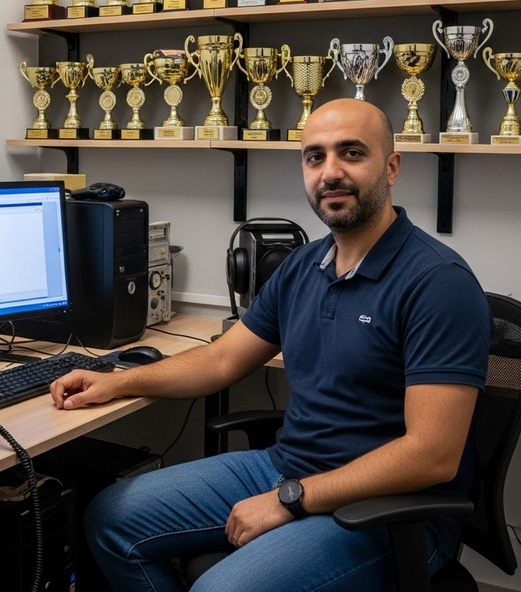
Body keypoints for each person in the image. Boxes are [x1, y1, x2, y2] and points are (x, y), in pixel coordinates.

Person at [50, 98, 491, 592]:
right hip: (287, 468)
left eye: (351, 153)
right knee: (111, 519)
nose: (330, 172)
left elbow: (432, 454)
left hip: (390, 512)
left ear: (391, 168)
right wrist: (118, 382)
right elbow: (222, 359)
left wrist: (290, 499)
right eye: (315, 156)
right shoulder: (304, 266)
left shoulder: (438, 283)